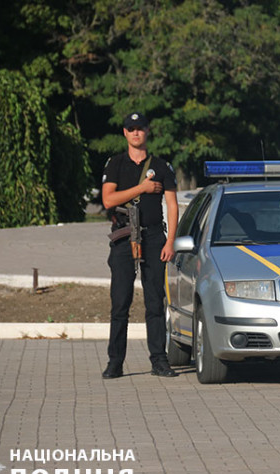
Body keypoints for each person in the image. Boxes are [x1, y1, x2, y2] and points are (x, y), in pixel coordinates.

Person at [101, 112, 179, 379]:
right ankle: (115, 362)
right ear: (124, 133)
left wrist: (171, 241)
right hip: (124, 236)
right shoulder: (115, 164)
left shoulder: (161, 165)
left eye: (140, 128)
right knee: (120, 302)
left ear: (148, 131)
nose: (136, 133)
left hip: (155, 237)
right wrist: (142, 189)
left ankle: (159, 360)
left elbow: (172, 205)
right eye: (131, 128)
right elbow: (109, 200)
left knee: (155, 302)